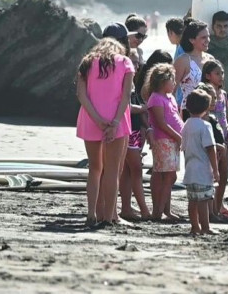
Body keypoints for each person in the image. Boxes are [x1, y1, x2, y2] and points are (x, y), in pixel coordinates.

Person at [76, 27, 134, 227]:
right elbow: (126, 97)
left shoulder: (86, 63)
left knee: (94, 168)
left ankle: (91, 213)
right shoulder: (125, 62)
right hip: (115, 120)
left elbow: (82, 96)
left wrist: (98, 120)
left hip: (91, 120)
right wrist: (114, 122)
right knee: (111, 170)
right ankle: (109, 217)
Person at [143, 63, 184, 221]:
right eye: (172, 80)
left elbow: (175, 118)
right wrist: (177, 136)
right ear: (163, 81)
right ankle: (158, 211)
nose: (175, 83)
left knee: (170, 176)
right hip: (164, 140)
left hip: (173, 141)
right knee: (168, 175)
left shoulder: (171, 97)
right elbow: (160, 123)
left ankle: (166, 210)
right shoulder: (155, 98)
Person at [181, 89, 220, 235]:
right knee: (204, 200)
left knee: (192, 201)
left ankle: (194, 226)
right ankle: (205, 227)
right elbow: (210, 148)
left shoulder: (186, 125)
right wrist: (215, 170)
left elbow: (183, 147)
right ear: (205, 109)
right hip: (203, 170)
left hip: (190, 169)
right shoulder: (205, 126)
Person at [119, 48, 151, 221]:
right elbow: (125, 106)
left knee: (128, 172)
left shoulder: (132, 82)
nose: (137, 66)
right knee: (136, 169)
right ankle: (144, 209)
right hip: (129, 131)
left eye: (138, 62)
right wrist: (144, 109)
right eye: (134, 62)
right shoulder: (123, 80)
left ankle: (126, 208)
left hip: (136, 131)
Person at [201, 60, 228, 216]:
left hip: (224, 136)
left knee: (223, 173)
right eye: (217, 74)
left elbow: (226, 115)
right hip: (212, 136)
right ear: (208, 76)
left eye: (222, 73)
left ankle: (218, 207)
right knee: (213, 172)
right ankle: (210, 209)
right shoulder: (205, 92)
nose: (221, 77)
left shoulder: (223, 94)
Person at [195, 82, 228, 222]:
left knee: (222, 179)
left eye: (215, 98)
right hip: (209, 156)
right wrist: (217, 147)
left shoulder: (213, 118)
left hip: (220, 152)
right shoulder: (200, 120)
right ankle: (208, 213)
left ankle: (215, 209)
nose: (214, 101)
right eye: (212, 98)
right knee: (208, 184)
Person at [174, 20, 214, 119]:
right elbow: (171, 90)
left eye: (208, 36)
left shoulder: (211, 59)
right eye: (203, 37)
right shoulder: (183, 60)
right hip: (189, 112)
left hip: (211, 111)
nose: (208, 40)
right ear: (192, 40)